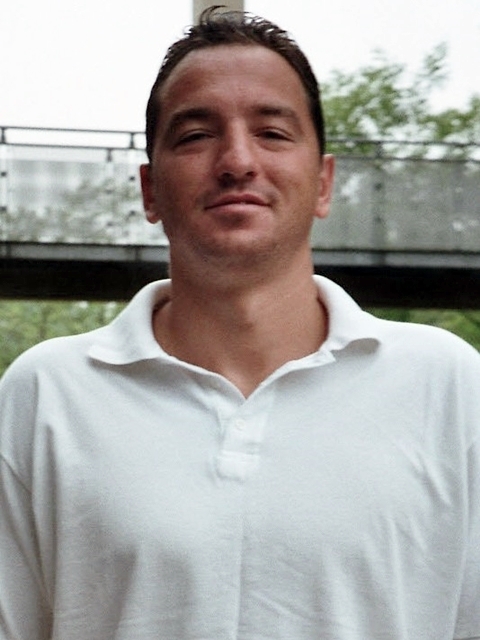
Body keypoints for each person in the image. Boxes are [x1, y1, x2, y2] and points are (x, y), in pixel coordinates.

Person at [0, 7, 479, 640]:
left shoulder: (450, 387)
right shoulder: (45, 395)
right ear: (149, 190)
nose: (237, 161)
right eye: (196, 135)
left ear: (324, 182)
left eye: (273, 133)